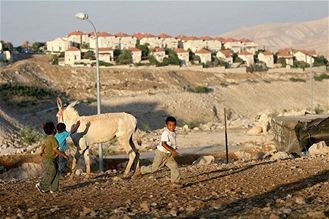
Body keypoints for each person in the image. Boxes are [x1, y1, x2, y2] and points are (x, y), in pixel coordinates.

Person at [134, 116, 181, 187]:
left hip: (168, 154)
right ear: (166, 125)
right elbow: (163, 144)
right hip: (161, 154)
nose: (172, 127)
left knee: (174, 166)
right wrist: (172, 150)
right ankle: (141, 170)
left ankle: (175, 182)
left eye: (174, 125)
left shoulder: (173, 133)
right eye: (170, 125)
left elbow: (171, 143)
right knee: (154, 168)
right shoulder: (166, 133)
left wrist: (174, 148)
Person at [36, 122, 68, 193]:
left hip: (51, 159)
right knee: (52, 172)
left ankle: (54, 189)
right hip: (49, 160)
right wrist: (64, 155)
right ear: (54, 130)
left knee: (56, 172)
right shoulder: (53, 139)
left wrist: (41, 151)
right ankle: (41, 186)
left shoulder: (46, 138)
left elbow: (43, 145)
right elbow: (55, 149)